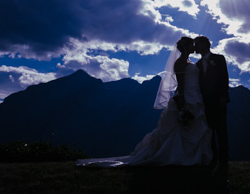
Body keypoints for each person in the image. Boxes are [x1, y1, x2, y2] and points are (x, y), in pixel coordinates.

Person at [76, 37, 212, 167]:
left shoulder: (188, 62)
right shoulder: (181, 63)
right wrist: (182, 105)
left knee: (189, 130)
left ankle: (188, 157)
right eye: (191, 45)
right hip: (187, 98)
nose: (194, 47)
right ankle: (179, 157)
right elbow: (181, 85)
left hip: (195, 97)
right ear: (186, 47)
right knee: (179, 131)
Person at [194, 36, 230, 170]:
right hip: (204, 102)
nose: (195, 47)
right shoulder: (197, 65)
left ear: (204, 45)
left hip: (218, 100)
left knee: (221, 129)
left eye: (197, 44)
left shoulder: (219, 59)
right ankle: (213, 158)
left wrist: (223, 97)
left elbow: (224, 78)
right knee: (209, 130)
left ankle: (224, 159)